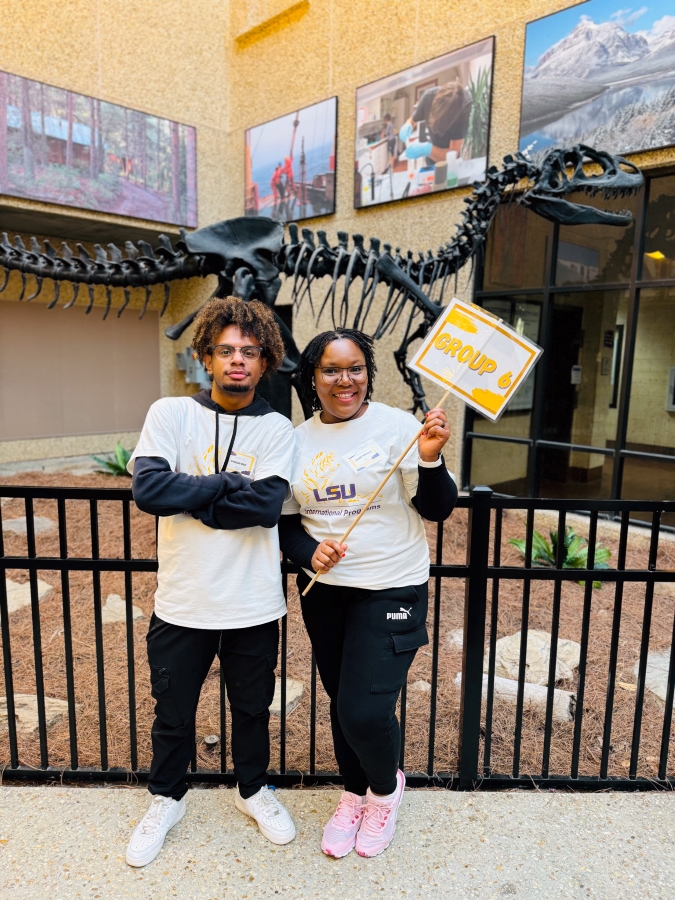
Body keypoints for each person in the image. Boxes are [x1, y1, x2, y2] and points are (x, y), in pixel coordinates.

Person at [125, 296, 297, 867]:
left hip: (252, 604)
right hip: (183, 601)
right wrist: (226, 486)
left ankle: (254, 791)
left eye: (249, 352)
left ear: (265, 360)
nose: (237, 361)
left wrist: (194, 488)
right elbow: (150, 491)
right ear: (205, 356)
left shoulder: (277, 428)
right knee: (172, 712)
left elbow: (267, 506)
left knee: (251, 710)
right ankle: (167, 799)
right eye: (225, 351)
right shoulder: (170, 414)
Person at [278, 328, 457, 859]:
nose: (344, 380)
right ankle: (353, 791)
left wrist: (429, 458)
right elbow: (286, 525)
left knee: (362, 710)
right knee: (342, 703)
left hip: (391, 587)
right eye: (331, 370)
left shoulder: (399, 427)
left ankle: (384, 791)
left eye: (354, 368)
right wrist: (309, 551)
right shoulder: (295, 440)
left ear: (368, 373)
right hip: (325, 591)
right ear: (312, 378)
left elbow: (438, 508)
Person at [399, 81, 472, 162]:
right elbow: (412, 120)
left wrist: (427, 149)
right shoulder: (428, 97)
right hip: (431, 153)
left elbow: (454, 152)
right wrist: (408, 125)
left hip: (449, 160)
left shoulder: (464, 108)